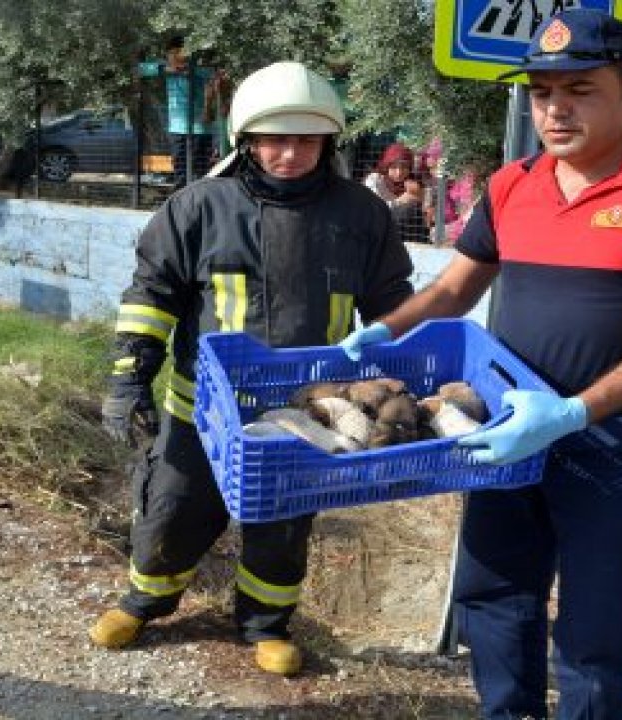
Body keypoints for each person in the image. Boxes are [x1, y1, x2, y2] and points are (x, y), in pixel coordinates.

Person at [340, 10, 622, 717]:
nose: (555, 109)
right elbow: (454, 289)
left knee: (597, 628)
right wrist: (379, 333)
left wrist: (574, 412)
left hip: (619, 441)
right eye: (543, 92)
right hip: (507, 424)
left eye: (580, 89)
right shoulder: (511, 183)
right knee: (493, 594)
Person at [88, 61, 414, 676]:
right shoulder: (198, 207)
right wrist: (130, 376)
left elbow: (393, 300)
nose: (290, 152)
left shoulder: (361, 214)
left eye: (306, 139)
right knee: (175, 508)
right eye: (275, 138)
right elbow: (151, 295)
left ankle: (264, 626)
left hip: (304, 416)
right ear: (246, 139)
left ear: (329, 141)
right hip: (202, 413)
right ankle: (145, 601)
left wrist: (408, 374)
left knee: (283, 523)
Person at [138, 36, 215, 188]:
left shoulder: (199, 68)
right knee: (180, 169)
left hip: (200, 129)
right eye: (171, 54)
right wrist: (164, 69)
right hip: (177, 129)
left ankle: (200, 203)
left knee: (200, 171)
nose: (174, 57)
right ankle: (181, 202)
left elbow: (211, 74)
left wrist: (191, 71)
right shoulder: (167, 69)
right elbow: (141, 69)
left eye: (178, 53)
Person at [364, 141, 429, 243]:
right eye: (393, 167)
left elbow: (426, 214)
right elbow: (374, 211)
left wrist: (420, 196)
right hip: (377, 233)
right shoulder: (374, 180)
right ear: (386, 166)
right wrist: (400, 201)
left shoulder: (412, 182)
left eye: (404, 167)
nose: (399, 172)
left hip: (406, 234)